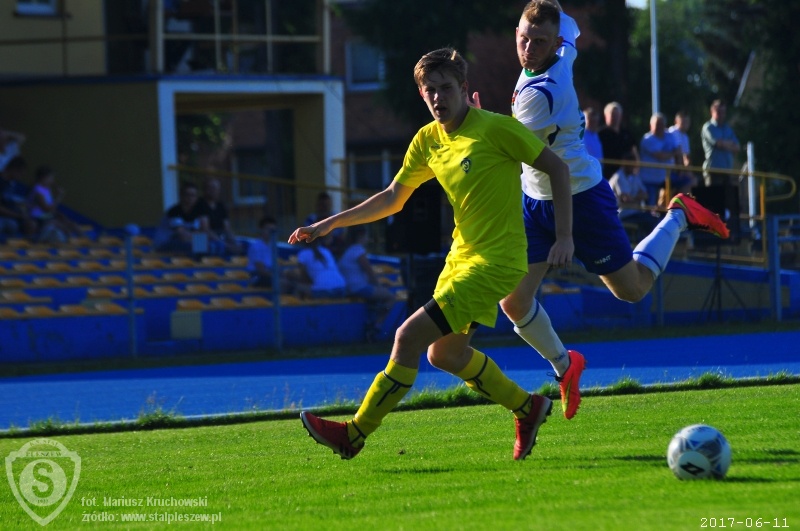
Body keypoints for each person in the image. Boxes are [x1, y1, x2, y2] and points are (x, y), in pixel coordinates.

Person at [291, 46, 572, 461]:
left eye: (446, 88)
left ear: (463, 87)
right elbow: (392, 197)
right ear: (422, 94)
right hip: (460, 259)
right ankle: (527, 407)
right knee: (444, 353)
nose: (438, 97)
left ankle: (354, 433)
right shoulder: (427, 140)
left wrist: (564, 236)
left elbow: (558, 169)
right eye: (430, 91)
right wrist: (329, 223)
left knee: (406, 337)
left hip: (497, 262)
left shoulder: (496, 128)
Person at [487, 0, 729, 421]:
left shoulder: (541, 95)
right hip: (536, 200)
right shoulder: (562, 48)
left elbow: (511, 150)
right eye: (524, 38)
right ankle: (566, 366)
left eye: (539, 41)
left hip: (579, 198)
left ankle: (678, 214)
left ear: (553, 43)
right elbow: (569, 27)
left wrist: (473, 118)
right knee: (514, 302)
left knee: (631, 290)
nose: (528, 47)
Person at [337, 225, 398, 339]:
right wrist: (379, 286)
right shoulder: (358, 250)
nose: (368, 239)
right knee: (391, 297)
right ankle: (376, 326)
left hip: (350, 287)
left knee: (378, 296)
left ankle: (373, 319)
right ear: (361, 236)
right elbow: (370, 272)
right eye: (366, 236)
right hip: (358, 288)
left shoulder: (348, 250)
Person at [608, 151, 660, 236]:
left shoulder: (634, 176)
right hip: (623, 214)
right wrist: (638, 197)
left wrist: (633, 198)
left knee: (654, 218)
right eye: (631, 164)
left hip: (635, 212)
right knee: (650, 221)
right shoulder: (618, 177)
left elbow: (646, 195)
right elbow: (626, 199)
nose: (633, 167)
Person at [27, 165, 82, 243]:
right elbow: (47, 209)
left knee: (72, 224)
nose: (52, 180)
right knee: (62, 227)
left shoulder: (47, 189)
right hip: (38, 219)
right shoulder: (37, 190)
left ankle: (86, 241)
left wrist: (57, 213)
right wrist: (59, 196)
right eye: (51, 178)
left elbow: (51, 208)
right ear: (43, 178)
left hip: (47, 217)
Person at [153, 181, 208, 254]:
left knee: (208, 246)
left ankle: (201, 260)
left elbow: (204, 231)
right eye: (187, 195)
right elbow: (182, 235)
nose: (190, 198)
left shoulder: (198, 211)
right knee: (198, 244)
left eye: (193, 195)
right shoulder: (174, 211)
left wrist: (199, 236)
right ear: (181, 195)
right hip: (164, 243)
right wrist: (198, 236)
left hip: (185, 242)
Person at [638, 112, 681, 206]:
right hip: (650, 180)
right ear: (651, 126)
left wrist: (680, 170)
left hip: (667, 178)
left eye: (662, 124)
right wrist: (673, 153)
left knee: (687, 181)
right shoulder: (647, 139)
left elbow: (679, 150)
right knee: (651, 206)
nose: (660, 127)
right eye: (657, 124)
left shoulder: (670, 136)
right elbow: (660, 156)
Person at [247, 214, 295, 292]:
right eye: (268, 230)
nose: (271, 233)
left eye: (273, 231)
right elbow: (261, 269)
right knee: (283, 283)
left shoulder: (272, 245)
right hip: (258, 277)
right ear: (261, 230)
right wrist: (277, 276)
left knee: (293, 279)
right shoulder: (256, 246)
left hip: (270, 274)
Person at [701, 99, 740, 187]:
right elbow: (718, 143)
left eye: (723, 112)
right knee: (714, 196)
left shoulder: (728, 128)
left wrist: (724, 144)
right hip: (713, 171)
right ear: (712, 111)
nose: (721, 114)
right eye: (719, 112)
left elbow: (737, 147)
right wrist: (729, 143)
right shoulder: (708, 127)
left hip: (727, 171)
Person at [198, 176, 241, 255]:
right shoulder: (200, 204)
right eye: (210, 188)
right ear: (205, 189)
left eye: (215, 188)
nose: (213, 191)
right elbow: (205, 229)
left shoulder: (221, 206)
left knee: (244, 245)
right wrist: (225, 244)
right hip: (203, 240)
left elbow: (227, 229)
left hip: (221, 238)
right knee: (218, 247)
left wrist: (235, 242)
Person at [295, 235, 347, 299]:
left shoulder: (303, 254)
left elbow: (302, 275)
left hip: (324, 290)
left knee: (297, 287)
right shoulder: (326, 251)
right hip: (341, 287)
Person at [598, 101, 638, 180]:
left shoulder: (626, 134)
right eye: (612, 114)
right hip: (607, 173)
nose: (615, 117)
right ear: (606, 116)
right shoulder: (600, 134)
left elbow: (634, 151)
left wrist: (636, 167)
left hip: (625, 174)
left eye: (617, 114)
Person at [0, 156, 36, 241]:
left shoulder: (11, 183)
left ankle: (25, 246)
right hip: (5, 217)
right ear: (14, 169)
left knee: (31, 224)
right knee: (12, 225)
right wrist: (18, 215)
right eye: (21, 173)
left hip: (12, 215)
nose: (21, 176)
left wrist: (22, 211)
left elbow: (9, 200)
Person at [667, 110, 698, 198]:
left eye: (687, 122)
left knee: (693, 181)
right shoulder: (673, 132)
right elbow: (678, 154)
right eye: (683, 122)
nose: (685, 124)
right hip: (670, 170)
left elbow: (686, 157)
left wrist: (689, 172)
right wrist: (681, 171)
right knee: (688, 181)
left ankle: (682, 202)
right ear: (676, 121)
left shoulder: (685, 136)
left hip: (678, 170)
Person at [304, 191, 346, 256]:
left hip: (334, 249)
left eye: (327, 205)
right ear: (318, 205)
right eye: (322, 205)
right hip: (315, 248)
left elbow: (342, 235)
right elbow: (305, 236)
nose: (325, 208)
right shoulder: (311, 219)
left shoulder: (336, 218)